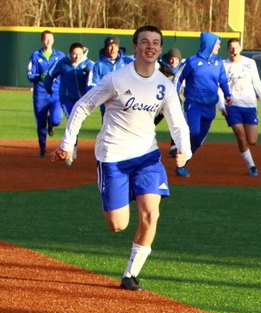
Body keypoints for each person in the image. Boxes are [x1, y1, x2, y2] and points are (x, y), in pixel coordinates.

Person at [48, 25, 191, 292]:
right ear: (135, 47)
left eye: (156, 43)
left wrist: (184, 149)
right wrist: (67, 144)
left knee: (151, 214)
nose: (150, 46)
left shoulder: (165, 85)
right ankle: (118, 193)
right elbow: (82, 107)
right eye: (145, 42)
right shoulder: (116, 79)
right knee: (118, 224)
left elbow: (178, 123)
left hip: (147, 157)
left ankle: (130, 274)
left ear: (159, 49)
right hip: (113, 156)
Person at [173, 31, 232, 176]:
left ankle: (183, 163)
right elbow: (178, 78)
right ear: (209, 44)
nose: (219, 46)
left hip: (210, 106)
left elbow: (223, 80)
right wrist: (175, 98)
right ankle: (180, 150)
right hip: (194, 104)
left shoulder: (218, 62)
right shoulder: (192, 61)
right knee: (193, 132)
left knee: (199, 140)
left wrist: (227, 94)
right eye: (217, 43)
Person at [219, 38, 261, 177]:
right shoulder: (223, 66)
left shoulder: (250, 63)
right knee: (241, 137)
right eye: (231, 47)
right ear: (227, 49)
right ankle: (252, 166)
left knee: (252, 141)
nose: (233, 50)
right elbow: (219, 87)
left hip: (249, 106)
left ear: (240, 48)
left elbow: (257, 83)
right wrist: (221, 105)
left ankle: (249, 159)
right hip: (232, 106)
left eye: (236, 47)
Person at [43, 42, 95, 166]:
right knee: (72, 119)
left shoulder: (90, 65)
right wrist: (48, 87)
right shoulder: (62, 63)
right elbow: (50, 75)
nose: (76, 57)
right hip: (67, 99)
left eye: (79, 54)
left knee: (77, 122)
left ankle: (71, 146)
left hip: (83, 100)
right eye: (74, 54)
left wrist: (89, 74)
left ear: (83, 54)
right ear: (70, 53)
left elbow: (97, 82)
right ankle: (71, 150)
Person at [26, 30, 65, 158]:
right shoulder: (36, 56)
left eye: (50, 39)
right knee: (40, 122)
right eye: (45, 39)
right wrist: (39, 76)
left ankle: (52, 124)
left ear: (53, 40)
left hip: (55, 93)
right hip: (41, 94)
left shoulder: (60, 56)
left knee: (56, 119)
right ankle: (42, 148)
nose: (48, 41)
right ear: (42, 40)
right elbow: (30, 75)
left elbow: (66, 72)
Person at [88, 35, 134, 116]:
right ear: (106, 48)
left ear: (118, 48)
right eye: (110, 46)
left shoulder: (128, 61)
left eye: (115, 46)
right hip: (107, 105)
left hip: (127, 103)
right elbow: (92, 85)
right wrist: (105, 94)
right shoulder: (98, 65)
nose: (113, 49)